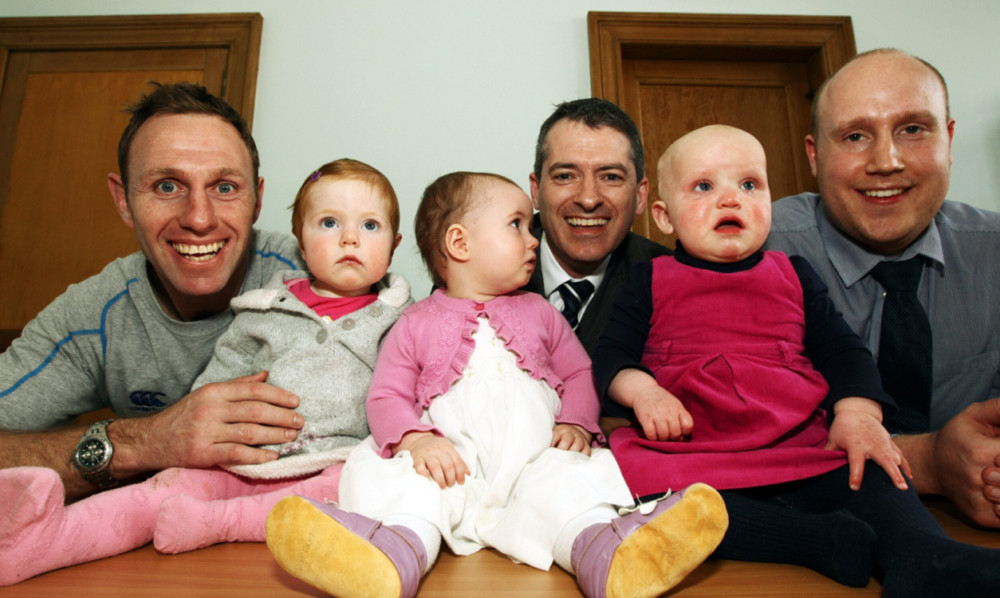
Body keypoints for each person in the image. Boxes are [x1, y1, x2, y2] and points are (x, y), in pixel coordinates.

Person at [265, 172, 728, 598]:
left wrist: (578, 424)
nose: (533, 238)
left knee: (568, 478)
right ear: (460, 243)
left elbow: (577, 373)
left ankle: (606, 555)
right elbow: (386, 394)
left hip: (532, 458)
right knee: (400, 481)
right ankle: (393, 554)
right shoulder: (414, 322)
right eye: (517, 225)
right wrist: (414, 439)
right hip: (449, 465)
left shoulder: (541, 313)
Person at [594, 124, 1000, 596]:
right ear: (663, 217)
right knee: (657, 498)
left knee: (872, 470)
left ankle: (925, 555)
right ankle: (811, 542)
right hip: (693, 451)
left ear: (769, 200)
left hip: (797, 444)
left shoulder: (792, 274)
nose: (731, 200)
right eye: (704, 187)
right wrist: (642, 390)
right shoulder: (650, 280)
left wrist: (857, 414)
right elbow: (611, 355)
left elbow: (842, 350)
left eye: (749, 185)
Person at [0, 159, 412, 585]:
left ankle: (215, 524)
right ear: (301, 244)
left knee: (356, 491)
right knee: (156, 493)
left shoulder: (402, 321)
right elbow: (214, 387)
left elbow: (416, 392)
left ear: (394, 244)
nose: (349, 237)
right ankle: (36, 543)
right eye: (329, 223)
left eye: (369, 226)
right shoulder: (263, 308)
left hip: (334, 463)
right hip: (237, 462)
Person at [0, 82, 308, 501]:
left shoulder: (318, 274)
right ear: (124, 200)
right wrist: (144, 441)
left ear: (256, 200)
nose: (199, 219)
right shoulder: (93, 316)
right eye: (167, 186)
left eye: (224, 187)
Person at [763, 48, 1000, 528]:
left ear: (949, 139)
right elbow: (728, 439)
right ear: (814, 155)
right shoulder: (755, 254)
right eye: (855, 136)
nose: (886, 162)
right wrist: (931, 460)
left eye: (913, 130)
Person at [523, 98, 669, 356]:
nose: (588, 199)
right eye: (565, 176)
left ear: (640, 195)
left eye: (611, 177)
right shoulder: (475, 269)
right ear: (536, 191)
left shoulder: (669, 282)